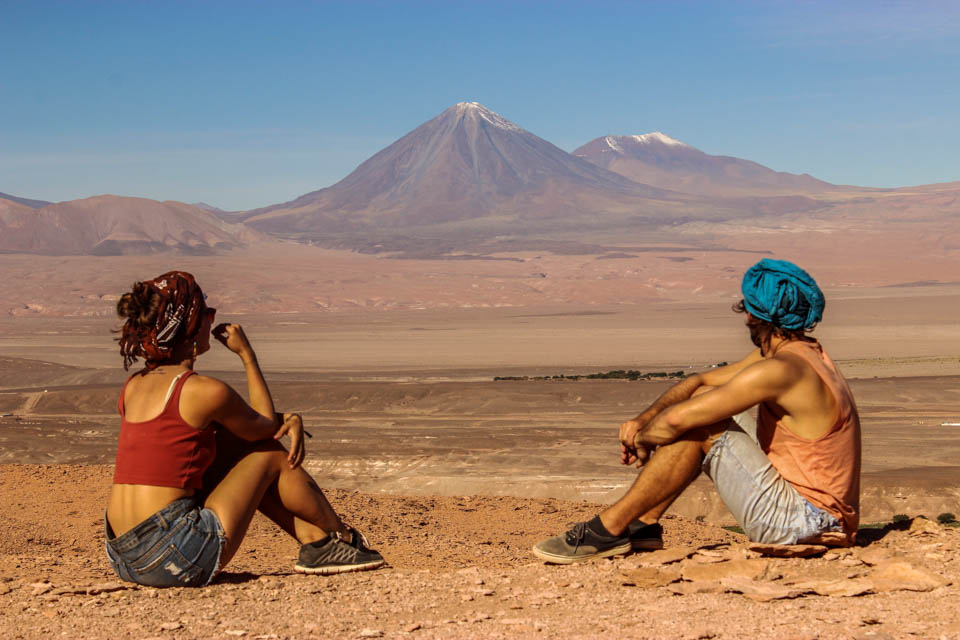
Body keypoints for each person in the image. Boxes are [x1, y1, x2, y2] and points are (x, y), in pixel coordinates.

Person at [533, 259, 861, 563]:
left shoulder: (780, 370)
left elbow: (678, 420)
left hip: (804, 523)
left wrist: (643, 439)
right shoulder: (802, 356)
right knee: (705, 400)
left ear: (752, 315)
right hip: (819, 516)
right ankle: (644, 524)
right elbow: (699, 382)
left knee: (701, 425)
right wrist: (643, 420)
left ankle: (605, 530)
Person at [105, 271, 385, 587]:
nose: (212, 320)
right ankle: (343, 537)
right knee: (267, 455)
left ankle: (316, 541)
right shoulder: (202, 391)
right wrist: (247, 355)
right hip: (169, 555)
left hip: (122, 556)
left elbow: (233, 429)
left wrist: (278, 420)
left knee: (225, 446)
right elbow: (263, 428)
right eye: (206, 312)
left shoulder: (134, 386)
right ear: (190, 323)